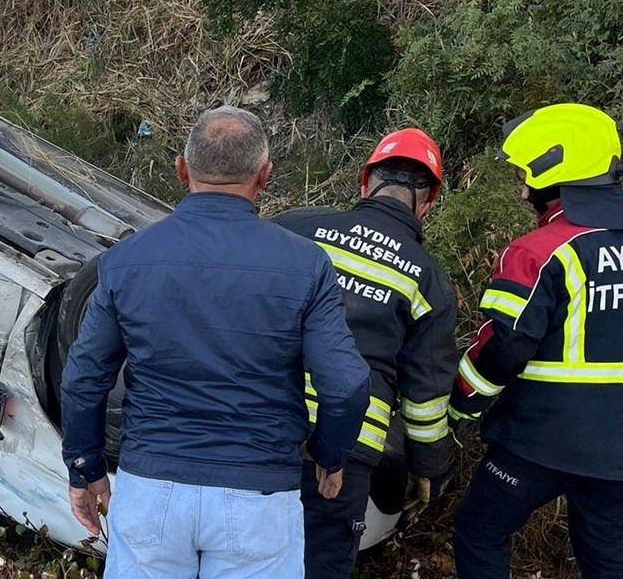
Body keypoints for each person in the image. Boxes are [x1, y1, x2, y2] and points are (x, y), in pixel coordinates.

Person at [60, 106, 371, 579]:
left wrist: (85, 467)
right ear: (264, 176)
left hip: (152, 488)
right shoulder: (306, 265)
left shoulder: (127, 260)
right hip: (259, 494)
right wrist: (328, 456)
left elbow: (84, 378)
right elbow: (346, 386)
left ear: (182, 170)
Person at [273, 129, 460, 579]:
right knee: (319, 565)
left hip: (262, 426)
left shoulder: (297, 230)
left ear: (365, 182)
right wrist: (429, 469)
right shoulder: (429, 280)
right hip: (344, 454)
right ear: (427, 202)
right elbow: (425, 399)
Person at [447, 103, 623, 579]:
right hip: (616, 454)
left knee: (479, 531)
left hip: (539, 441)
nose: (523, 189)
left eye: (527, 175)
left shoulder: (539, 252)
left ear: (557, 172)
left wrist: (460, 405)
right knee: (607, 560)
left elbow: (503, 348)